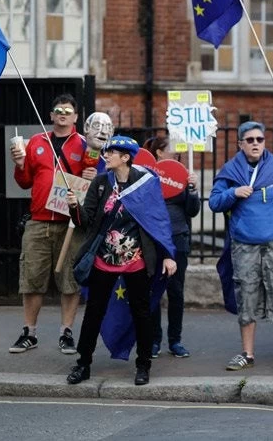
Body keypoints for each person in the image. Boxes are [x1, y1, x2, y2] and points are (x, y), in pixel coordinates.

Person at [64, 136, 177, 386]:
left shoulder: (145, 183)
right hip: (103, 260)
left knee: (141, 313)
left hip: (136, 260)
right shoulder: (101, 183)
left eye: (111, 152)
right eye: (106, 151)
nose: (106, 155)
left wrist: (168, 254)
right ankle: (83, 364)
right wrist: (74, 207)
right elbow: (86, 220)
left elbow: (158, 220)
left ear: (125, 157)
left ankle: (143, 365)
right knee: (94, 312)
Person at [209, 121, 273, 374]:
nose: (255, 144)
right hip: (244, 243)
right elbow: (214, 202)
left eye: (259, 139)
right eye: (249, 140)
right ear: (240, 144)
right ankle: (247, 354)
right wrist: (234, 193)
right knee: (246, 296)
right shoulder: (231, 170)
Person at [9, 93, 95, 355]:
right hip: (38, 221)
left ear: (76, 117)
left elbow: (95, 187)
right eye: (58, 110)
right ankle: (29, 333)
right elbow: (24, 182)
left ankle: (66, 333)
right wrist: (20, 164)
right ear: (50, 115)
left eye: (68, 111)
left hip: (71, 224)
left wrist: (93, 175)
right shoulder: (37, 141)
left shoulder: (86, 145)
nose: (62, 114)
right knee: (32, 279)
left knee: (70, 281)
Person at [142, 136, 201, 359]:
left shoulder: (183, 176)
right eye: (172, 149)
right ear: (159, 152)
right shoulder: (145, 175)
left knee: (176, 291)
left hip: (177, 238)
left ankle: (175, 341)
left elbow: (193, 211)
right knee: (153, 290)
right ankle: (154, 340)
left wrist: (193, 190)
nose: (177, 153)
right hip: (152, 238)